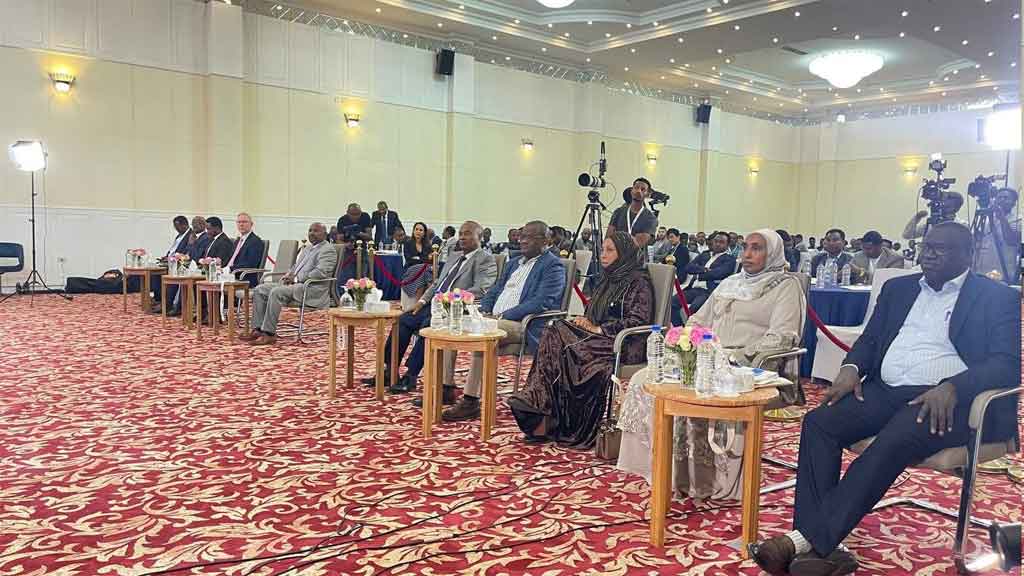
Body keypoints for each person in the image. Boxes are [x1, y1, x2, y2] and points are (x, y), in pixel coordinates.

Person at [748, 222, 1020, 576]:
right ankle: (816, 547)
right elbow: (871, 339)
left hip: (944, 401)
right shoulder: (899, 288)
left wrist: (954, 386)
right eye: (926, 247)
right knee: (820, 422)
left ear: (968, 255)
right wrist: (850, 368)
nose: (929, 255)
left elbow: (1006, 364)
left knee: (895, 437)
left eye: (940, 249)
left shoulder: (996, 297)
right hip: (884, 390)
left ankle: (802, 543)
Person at [618, 229, 806, 500]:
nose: (747, 254)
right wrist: (685, 340)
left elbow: (783, 337)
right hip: (709, 357)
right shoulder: (731, 282)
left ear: (774, 253)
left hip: (752, 366)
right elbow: (698, 319)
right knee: (645, 379)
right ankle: (662, 468)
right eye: (745, 247)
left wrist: (736, 356)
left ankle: (705, 479)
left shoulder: (785, 286)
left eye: (757, 248)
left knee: (702, 389)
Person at [506, 232, 655, 448]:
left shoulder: (638, 282)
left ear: (624, 253)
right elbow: (595, 312)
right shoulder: (608, 279)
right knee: (554, 330)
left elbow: (638, 321)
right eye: (602, 249)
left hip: (624, 344)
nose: (603, 255)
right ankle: (541, 404)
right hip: (597, 338)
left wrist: (600, 328)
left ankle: (540, 407)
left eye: (610, 250)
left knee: (561, 337)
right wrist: (586, 321)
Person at [442, 221, 566, 422]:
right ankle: (446, 387)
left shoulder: (553, 266)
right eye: (522, 236)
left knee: (483, 332)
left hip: (525, 324)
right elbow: (495, 290)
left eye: (528, 237)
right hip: (495, 319)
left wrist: (502, 316)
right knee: (454, 323)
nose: (522, 240)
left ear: (545, 241)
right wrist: (484, 309)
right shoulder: (513, 263)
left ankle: (471, 400)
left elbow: (542, 302)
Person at [365, 222, 497, 398]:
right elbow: (437, 283)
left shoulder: (485, 259)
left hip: (455, 308)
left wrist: (450, 298)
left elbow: (481, 288)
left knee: (428, 325)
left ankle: (411, 375)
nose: (462, 237)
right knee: (403, 320)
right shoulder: (454, 256)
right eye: (460, 233)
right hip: (433, 304)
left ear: (479, 237)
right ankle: (389, 369)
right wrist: (421, 301)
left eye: (467, 234)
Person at [241, 223, 338, 346]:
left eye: (316, 231)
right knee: (260, 289)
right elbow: (295, 267)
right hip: (295, 286)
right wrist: (288, 275)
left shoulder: (327, 250)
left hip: (311, 289)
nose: (312, 233)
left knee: (276, 292)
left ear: (325, 234)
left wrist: (296, 278)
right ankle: (258, 329)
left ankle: (269, 334)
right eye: (310, 230)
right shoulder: (308, 248)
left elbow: (321, 272)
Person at [973, 187, 1020, 282]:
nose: (1002, 200)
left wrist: (1002, 218)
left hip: (1003, 271)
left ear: (1014, 203)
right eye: (999, 197)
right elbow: (976, 241)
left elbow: (1011, 240)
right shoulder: (986, 217)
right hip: (981, 270)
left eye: (1006, 198)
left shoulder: (1019, 219)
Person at [682, 231, 737, 313]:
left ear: (727, 244)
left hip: (708, 291)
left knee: (694, 309)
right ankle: (679, 322)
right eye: (716, 241)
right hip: (693, 287)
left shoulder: (729, 259)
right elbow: (688, 267)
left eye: (721, 242)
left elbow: (718, 273)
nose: (717, 244)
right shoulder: (705, 254)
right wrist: (704, 269)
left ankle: (690, 321)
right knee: (672, 303)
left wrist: (698, 276)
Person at [150, 216, 193, 312]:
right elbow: (173, 249)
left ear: (184, 225)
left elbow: (187, 252)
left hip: (180, 263)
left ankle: (167, 304)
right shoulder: (179, 236)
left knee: (170, 278)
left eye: (177, 226)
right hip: (170, 261)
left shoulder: (190, 235)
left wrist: (173, 258)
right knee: (155, 274)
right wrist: (166, 256)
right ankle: (159, 300)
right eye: (175, 227)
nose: (176, 229)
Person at [607, 178, 659, 249]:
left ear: (647, 194)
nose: (638, 191)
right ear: (631, 191)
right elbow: (608, 238)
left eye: (643, 189)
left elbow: (637, 244)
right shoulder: (618, 212)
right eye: (636, 188)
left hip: (635, 256)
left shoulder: (650, 218)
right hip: (615, 254)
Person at [226, 213, 265, 287]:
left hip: (243, 278)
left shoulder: (255, 241)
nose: (241, 224)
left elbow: (250, 264)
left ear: (251, 224)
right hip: (230, 275)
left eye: (244, 222)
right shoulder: (237, 240)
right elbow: (230, 259)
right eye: (239, 222)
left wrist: (229, 269)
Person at [401, 222, 434, 305]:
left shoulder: (428, 245)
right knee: (425, 270)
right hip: (410, 269)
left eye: (421, 230)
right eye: (416, 229)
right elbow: (409, 260)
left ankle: (418, 303)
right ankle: (430, 297)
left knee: (424, 272)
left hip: (423, 270)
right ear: (413, 231)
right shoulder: (408, 243)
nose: (418, 231)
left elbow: (430, 261)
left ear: (424, 233)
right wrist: (424, 259)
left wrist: (418, 259)